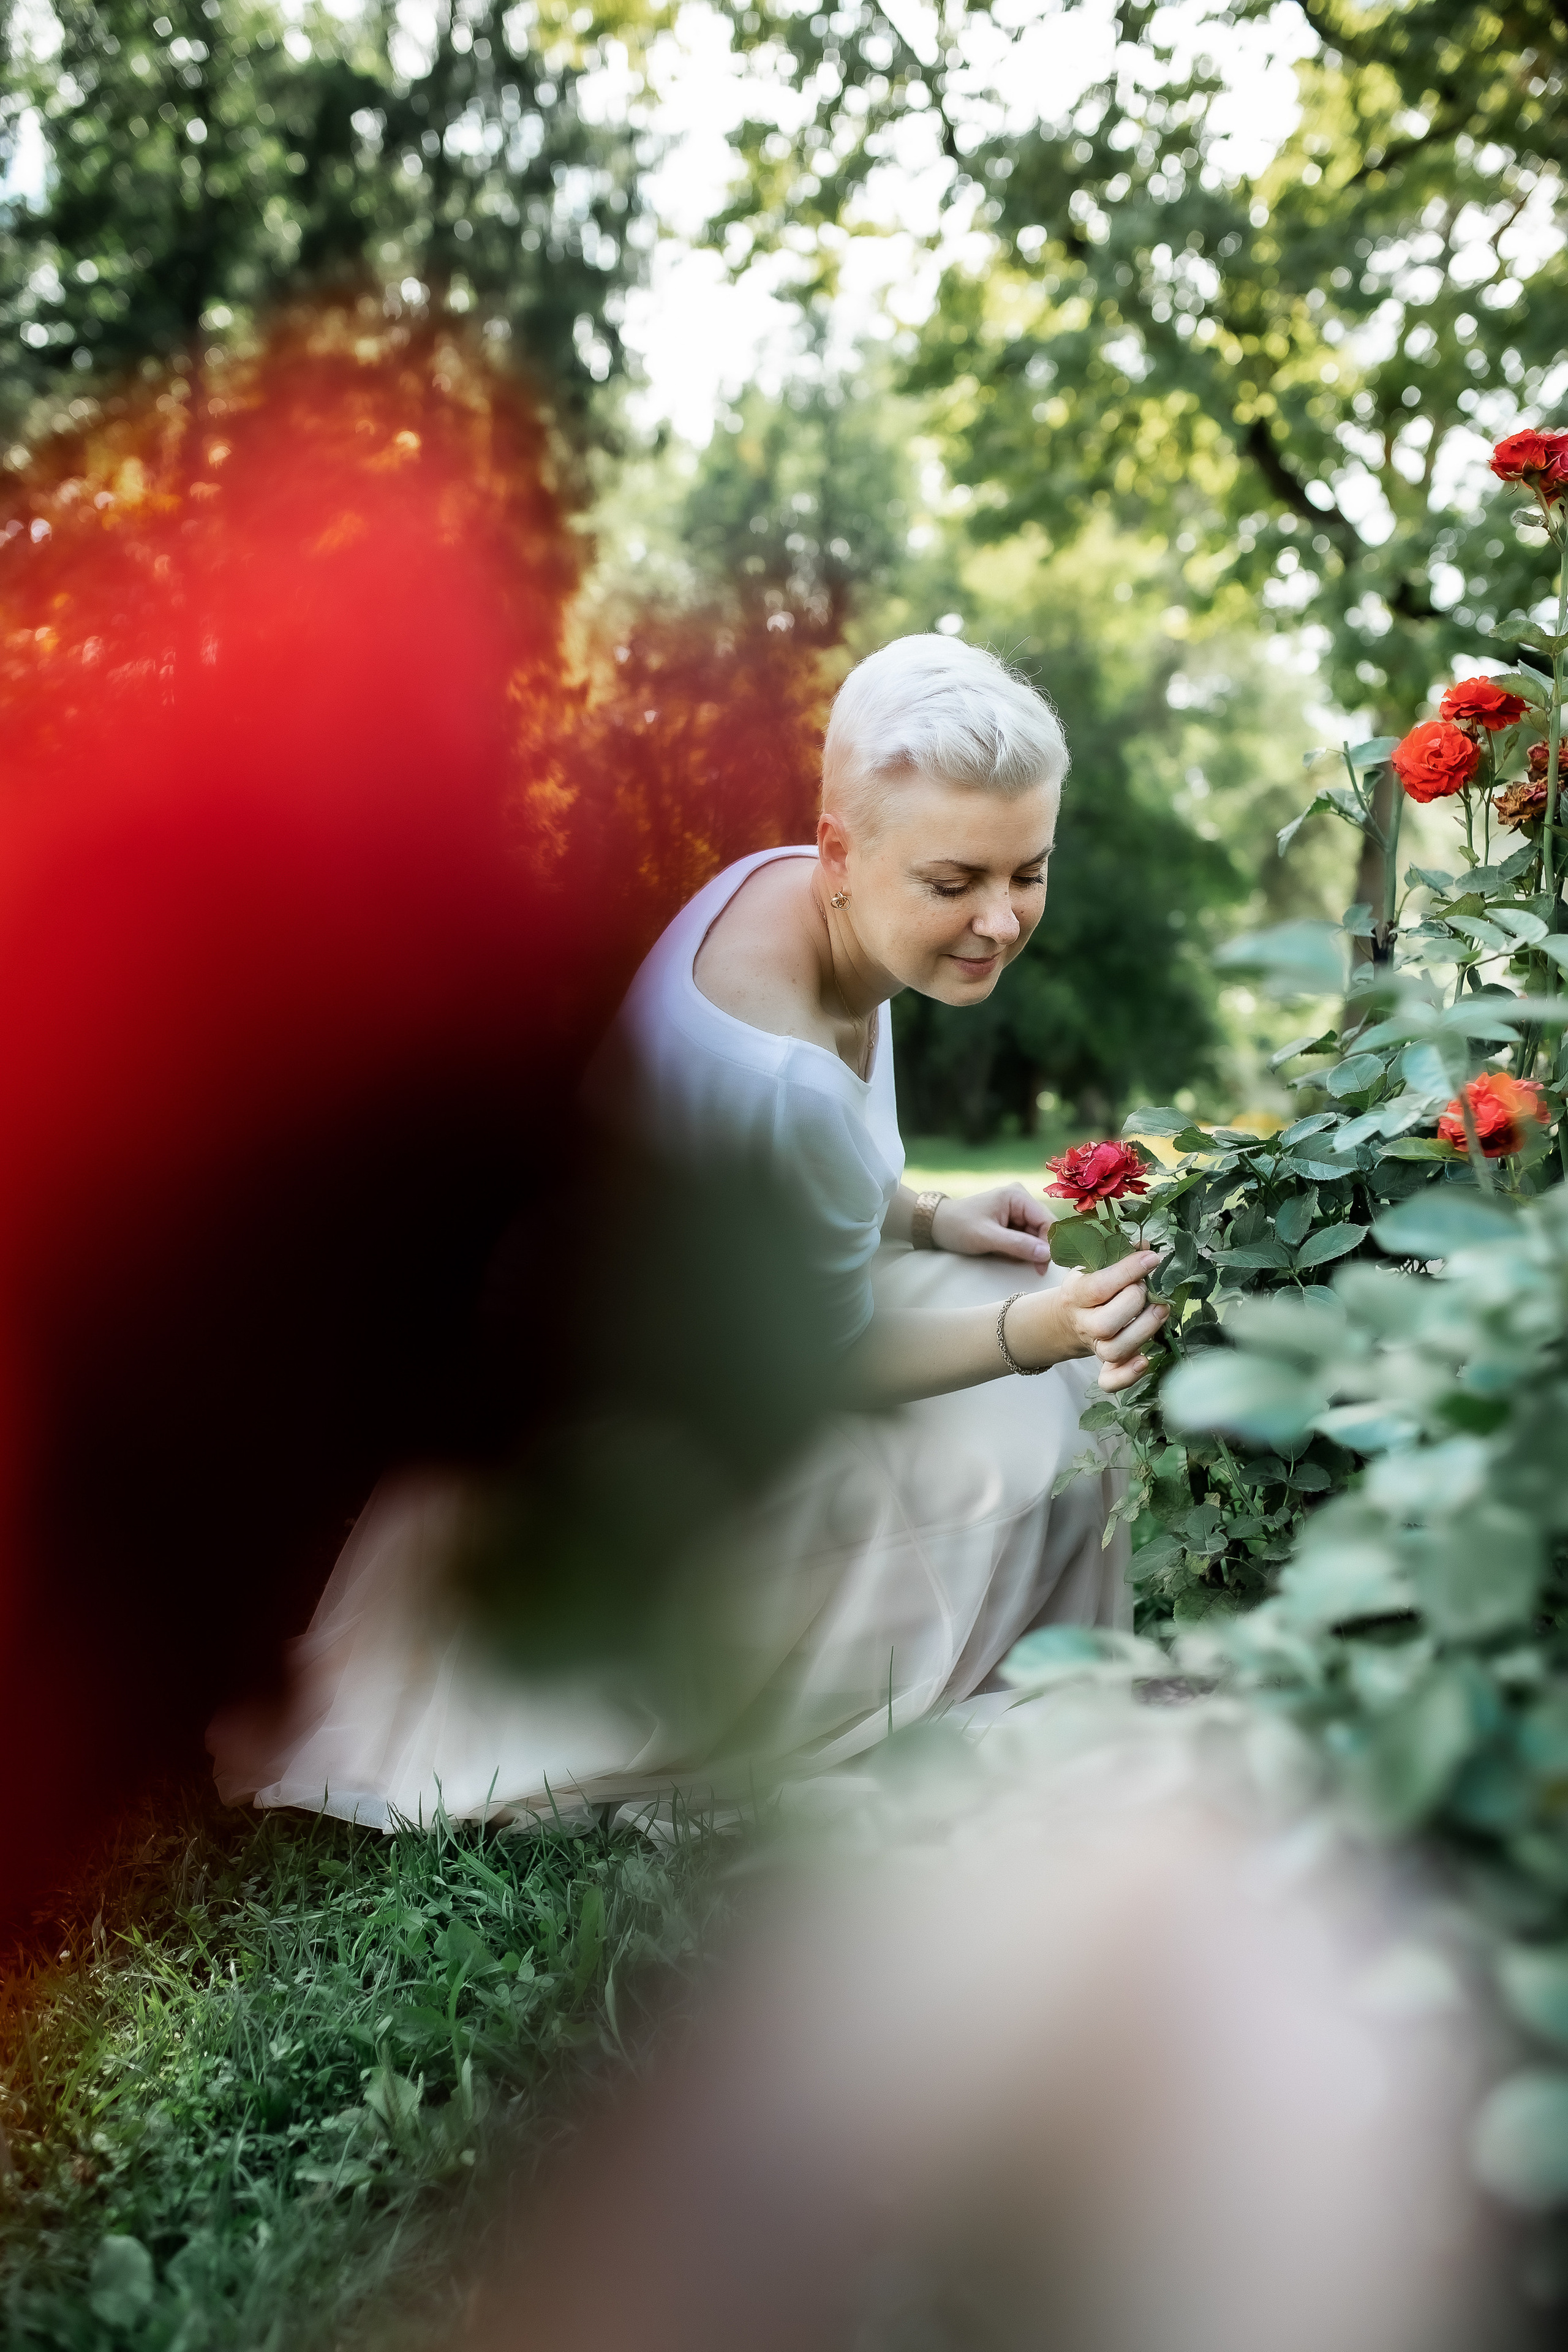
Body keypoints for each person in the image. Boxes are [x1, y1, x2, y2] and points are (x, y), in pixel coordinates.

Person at [209, 636, 1164, 1830]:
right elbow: (819, 1354)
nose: (1000, 919)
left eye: (1028, 871)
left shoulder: (786, 886)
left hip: (690, 1325)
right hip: (651, 1446)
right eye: (953, 881)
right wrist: (1038, 1332)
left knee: (1015, 1341)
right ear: (842, 851)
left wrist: (928, 1211)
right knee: (1036, 1426)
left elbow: (772, 1185)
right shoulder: (781, 1065)